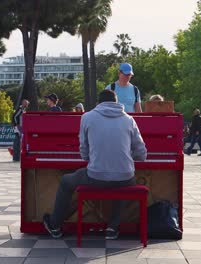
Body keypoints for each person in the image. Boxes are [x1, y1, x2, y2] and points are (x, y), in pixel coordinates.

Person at [43, 90, 147, 240]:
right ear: (117, 102)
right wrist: (126, 157)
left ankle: (55, 225)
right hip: (125, 177)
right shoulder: (129, 120)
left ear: (99, 103)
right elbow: (142, 154)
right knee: (123, 178)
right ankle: (112, 227)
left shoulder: (87, 117)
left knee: (66, 181)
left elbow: (84, 153)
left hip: (96, 176)